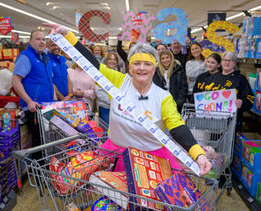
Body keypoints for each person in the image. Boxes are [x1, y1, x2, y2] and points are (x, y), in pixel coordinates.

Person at [45, 23, 212, 175]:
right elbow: (92, 64)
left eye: (147, 64)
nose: (141, 68)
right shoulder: (118, 82)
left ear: (154, 68)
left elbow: (177, 128)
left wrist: (198, 154)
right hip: (116, 154)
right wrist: (68, 35)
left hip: (151, 160)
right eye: (136, 63)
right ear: (129, 67)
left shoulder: (163, 97)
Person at [12, 30, 55, 158]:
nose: (41, 42)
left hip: (46, 106)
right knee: (39, 143)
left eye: (43, 39)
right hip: (34, 108)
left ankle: (46, 170)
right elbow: (15, 81)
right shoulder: (25, 57)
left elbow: (48, 81)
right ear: (30, 41)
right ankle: (40, 176)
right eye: (38, 39)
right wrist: (29, 101)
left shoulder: (44, 57)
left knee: (46, 141)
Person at [220, 51, 254, 131]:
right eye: (225, 60)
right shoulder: (215, 77)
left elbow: (250, 99)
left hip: (232, 123)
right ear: (221, 62)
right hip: (214, 122)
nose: (227, 63)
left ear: (234, 63)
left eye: (230, 60)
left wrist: (242, 102)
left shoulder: (240, 79)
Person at [96, 52, 122, 124]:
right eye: (110, 59)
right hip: (105, 108)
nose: (112, 61)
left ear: (117, 62)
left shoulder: (120, 74)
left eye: (114, 60)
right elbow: (99, 92)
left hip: (117, 109)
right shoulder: (101, 73)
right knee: (105, 129)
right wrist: (112, 101)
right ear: (106, 61)